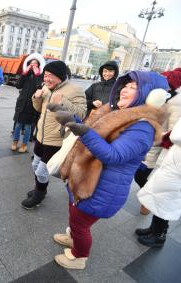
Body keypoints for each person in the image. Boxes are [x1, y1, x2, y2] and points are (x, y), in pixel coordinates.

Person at [50, 71, 168, 270]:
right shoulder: (117, 114)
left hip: (102, 189)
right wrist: (74, 122)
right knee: (76, 217)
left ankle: (79, 257)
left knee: (80, 224)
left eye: (134, 88)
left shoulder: (142, 127)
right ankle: (74, 238)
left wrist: (84, 132)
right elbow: (94, 137)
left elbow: (113, 155)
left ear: (149, 94)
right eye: (126, 85)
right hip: (88, 181)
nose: (125, 90)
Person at [22, 60, 86, 209]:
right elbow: (39, 109)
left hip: (57, 139)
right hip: (41, 136)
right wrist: (36, 98)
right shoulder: (45, 87)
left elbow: (81, 114)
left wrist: (62, 101)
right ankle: (39, 186)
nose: (46, 79)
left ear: (60, 76)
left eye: (50, 75)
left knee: (42, 170)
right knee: (35, 164)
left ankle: (40, 193)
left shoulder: (75, 90)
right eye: (45, 75)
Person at [134, 68, 181, 215]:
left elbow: (174, 131)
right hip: (148, 142)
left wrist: (160, 136)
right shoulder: (163, 97)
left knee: (142, 176)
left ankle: (147, 204)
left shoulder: (176, 102)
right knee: (140, 174)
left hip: (158, 147)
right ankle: (147, 201)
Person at [136, 116, 181, 247]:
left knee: (166, 200)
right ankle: (154, 229)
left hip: (177, 169)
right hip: (174, 163)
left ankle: (159, 235)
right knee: (161, 197)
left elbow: (177, 136)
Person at [12, 53, 45, 153]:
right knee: (17, 124)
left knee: (27, 127)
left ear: (39, 66)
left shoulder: (40, 76)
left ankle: (24, 144)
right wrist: (23, 74)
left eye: (35, 64)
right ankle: (15, 142)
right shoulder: (25, 74)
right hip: (21, 103)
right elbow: (18, 85)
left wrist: (37, 76)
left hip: (31, 105)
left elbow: (39, 88)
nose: (33, 65)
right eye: (31, 63)